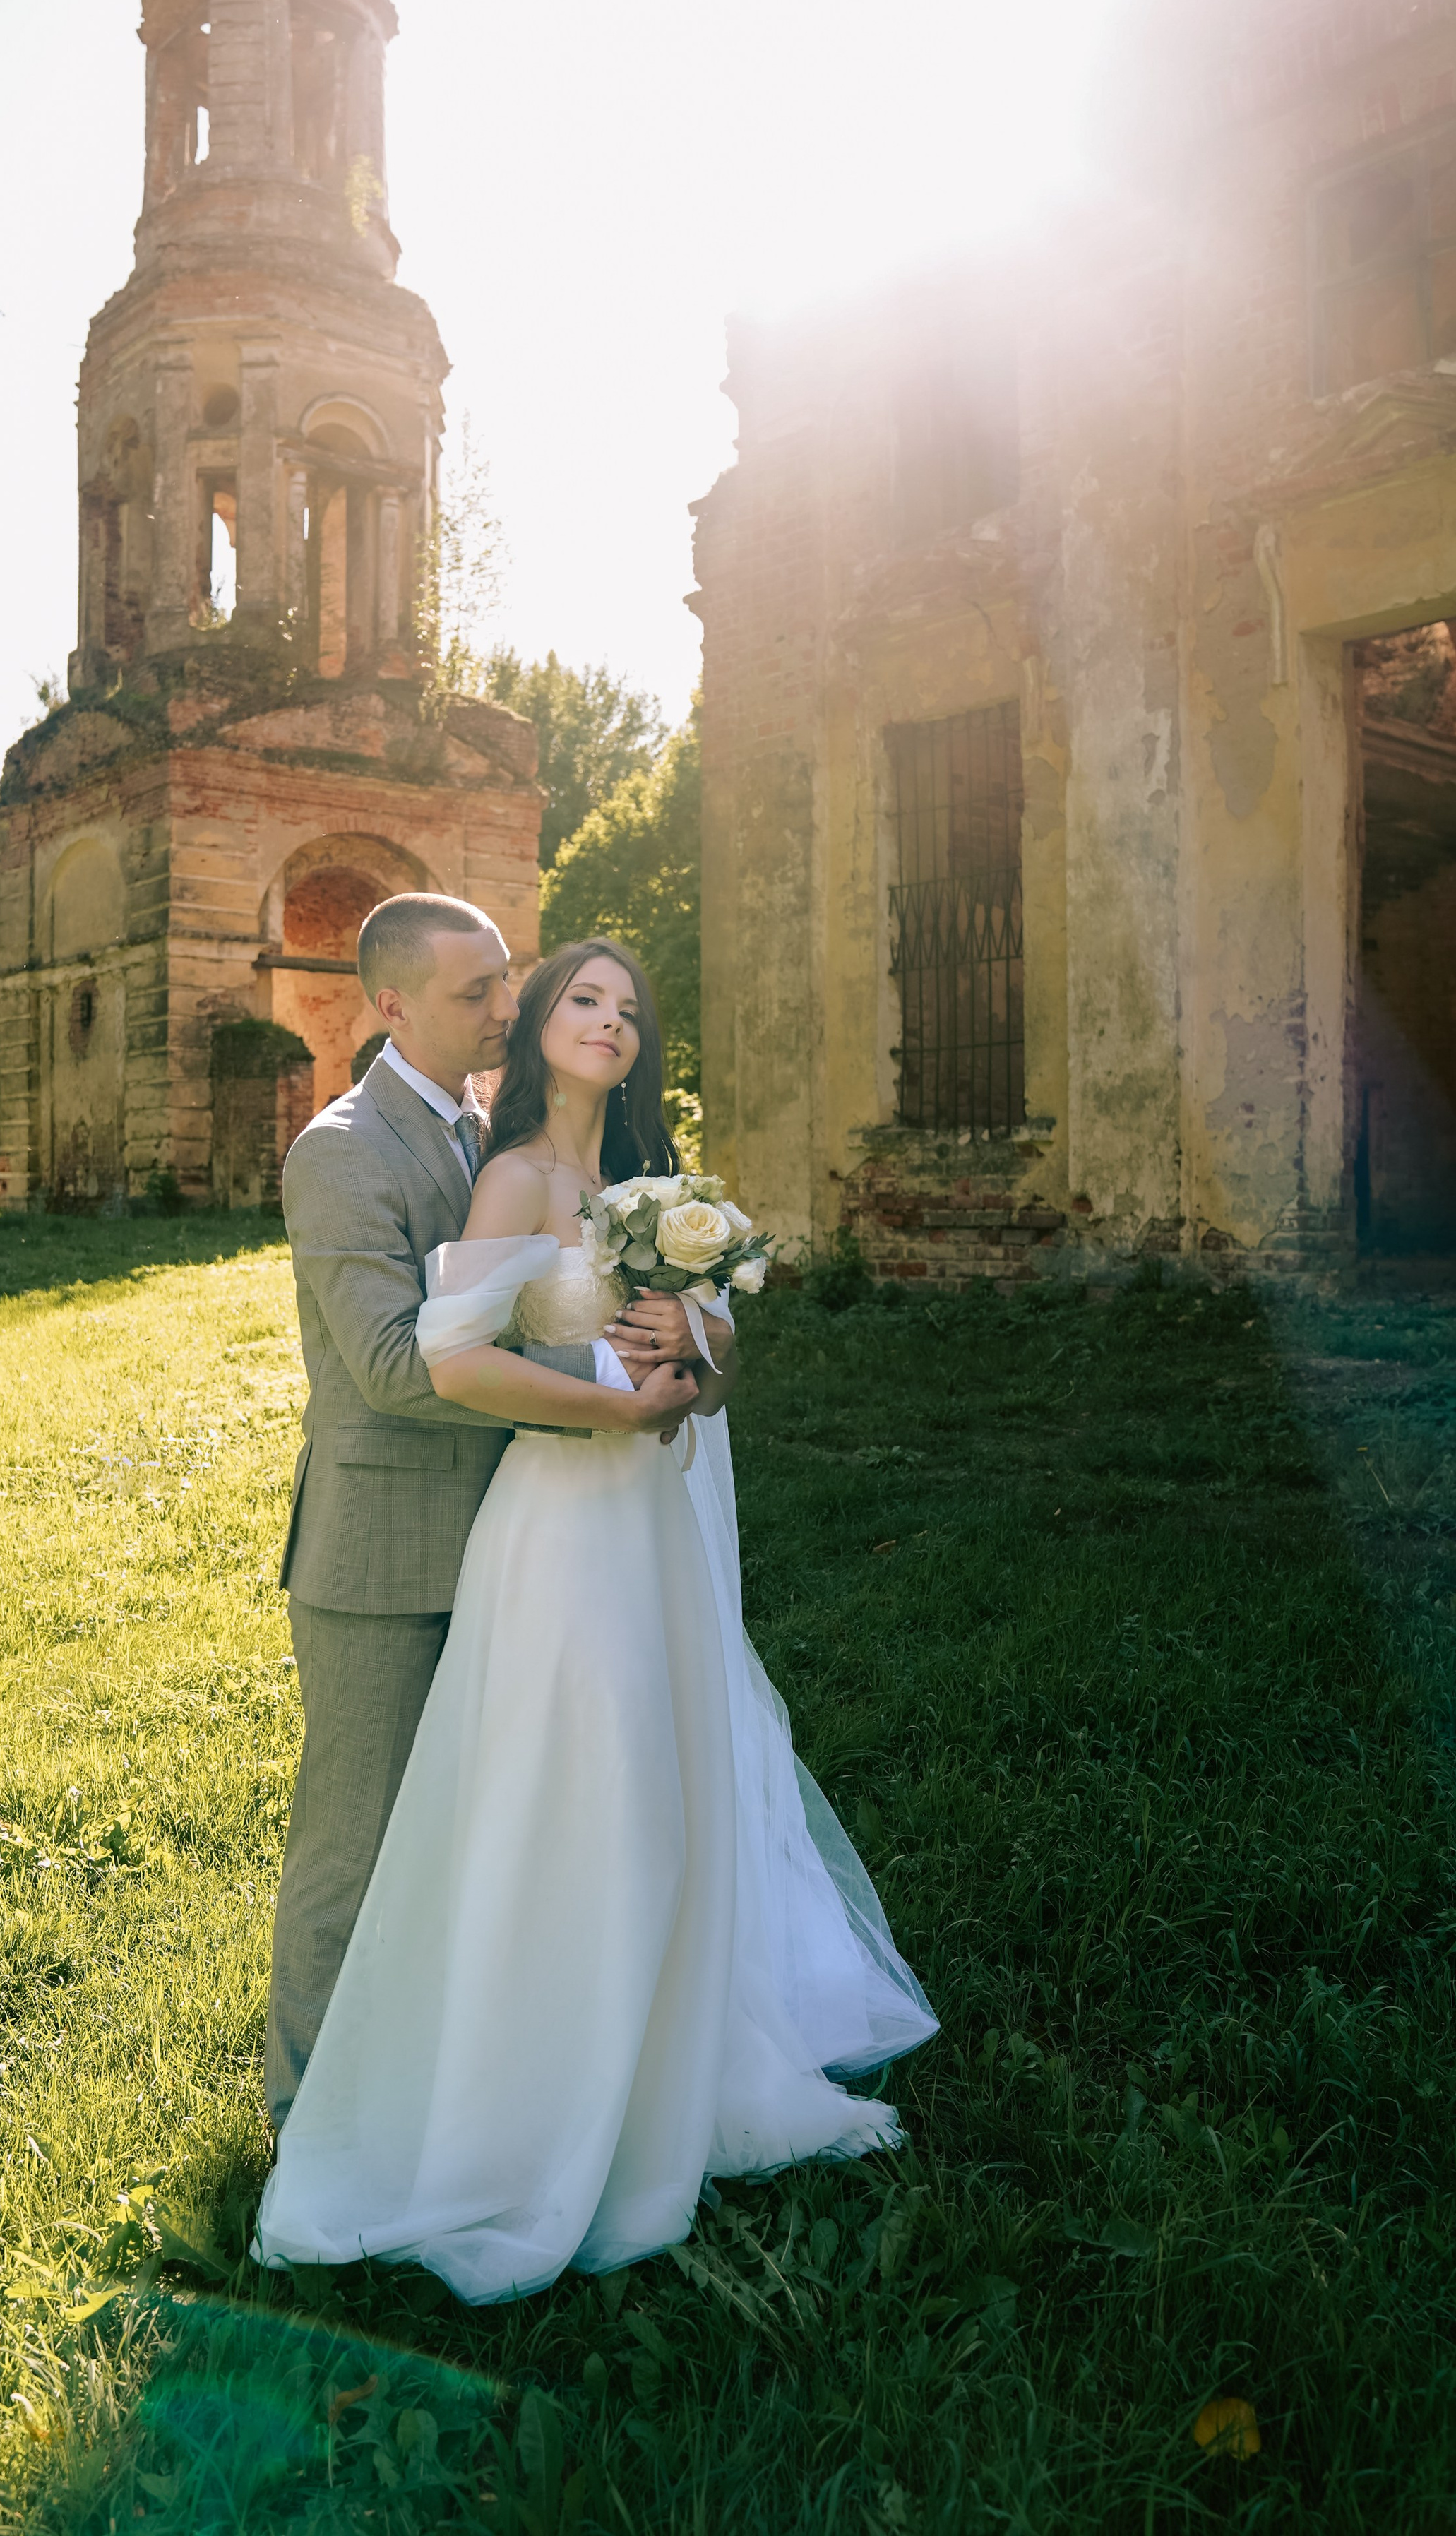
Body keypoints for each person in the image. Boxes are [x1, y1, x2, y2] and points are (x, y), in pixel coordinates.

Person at [256, 934, 938, 2304]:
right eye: (568, 996)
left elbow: (709, 1345)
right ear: (397, 1001)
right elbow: (422, 1361)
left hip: (631, 1531)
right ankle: (335, 2117)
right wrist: (613, 1405)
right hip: (477, 1529)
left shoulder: (626, 1180)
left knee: (635, 1803)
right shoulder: (410, 1156)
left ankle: (630, 2076)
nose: (571, 1016)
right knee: (403, 1833)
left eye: (621, 1007)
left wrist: (697, 1356)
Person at [263, 895, 696, 2133]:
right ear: (392, 1006)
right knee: (357, 1850)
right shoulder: (342, 1151)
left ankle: (450, 2099)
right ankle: (310, 2126)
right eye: (477, 993)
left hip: (526, 1543)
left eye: (509, 981)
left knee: (488, 1840)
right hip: (389, 1555)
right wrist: (612, 1378)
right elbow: (393, 1363)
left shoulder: (491, 1125)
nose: (510, 1008)